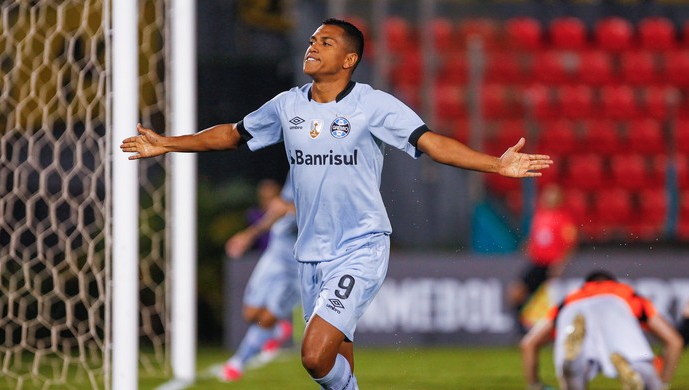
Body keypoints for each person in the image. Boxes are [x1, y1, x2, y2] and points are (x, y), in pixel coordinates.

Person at [121, 18, 552, 389]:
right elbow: (232, 134)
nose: (312, 46)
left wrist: (495, 164)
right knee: (332, 361)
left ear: (349, 61)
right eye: (311, 40)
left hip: (360, 245)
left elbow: (431, 142)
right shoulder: (287, 105)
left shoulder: (372, 104)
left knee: (313, 356)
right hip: (310, 253)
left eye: (325, 42)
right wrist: (169, 144)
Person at [520, 270, 684, 390]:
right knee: (645, 375)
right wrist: (663, 383)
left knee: (574, 380)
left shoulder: (571, 298)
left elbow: (528, 344)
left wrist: (535, 385)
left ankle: (572, 363)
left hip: (574, 313)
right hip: (614, 308)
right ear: (614, 282)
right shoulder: (626, 292)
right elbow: (675, 342)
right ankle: (637, 376)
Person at [221, 175, 299, 382]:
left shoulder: (334, 175)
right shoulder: (298, 171)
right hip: (274, 258)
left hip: (299, 270)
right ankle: (276, 331)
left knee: (267, 318)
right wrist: (249, 235)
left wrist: (291, 210)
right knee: (250, 313)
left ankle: (238, 361)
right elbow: (276, 211)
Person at [508, 183, 578, 332]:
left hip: (549, 264)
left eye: (552, 194)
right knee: (515, 294)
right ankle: (523, 331)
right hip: (536, 262)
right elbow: (537, 238)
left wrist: (560, 264)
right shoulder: (539, 215)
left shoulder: (564, 219)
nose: (548, 197)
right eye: (547, 194)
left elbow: (569, 244)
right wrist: (529, 246)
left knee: (550, 301)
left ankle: (548, 333)